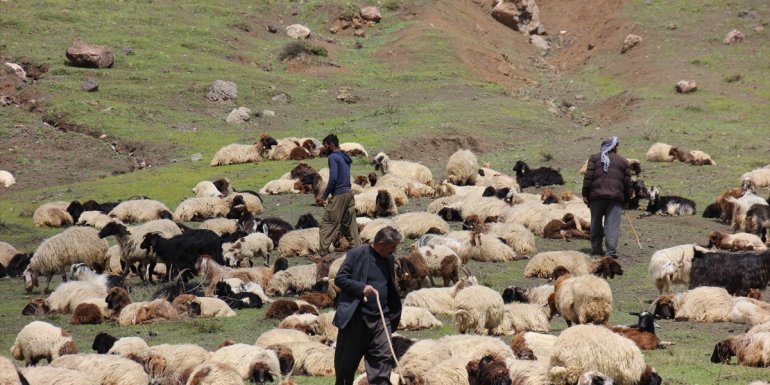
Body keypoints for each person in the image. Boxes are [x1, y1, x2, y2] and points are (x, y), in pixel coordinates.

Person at [333, 226, 403, 385]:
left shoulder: (389, 259)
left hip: (381, 319)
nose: (393, 251)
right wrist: (361, 288)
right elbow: (340, 279)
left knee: (382, 361)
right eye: (391, 247)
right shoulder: (356, 254)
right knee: (346, 365)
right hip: (357, 318)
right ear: (380, 244)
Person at [581, 136, 631, 259]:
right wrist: (626, 199)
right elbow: (627, 183)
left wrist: (585, 193)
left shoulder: (594, 158)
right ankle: (611, 252)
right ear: (614, 148)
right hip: (615, 198)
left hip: (596, 197)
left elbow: (588, 178)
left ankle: (597, 249)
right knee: (612, 224)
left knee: (596, 223)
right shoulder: (623, 162)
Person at [317, 134, 361, 257]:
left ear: (331, 145)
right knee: (349, 224)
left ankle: (323, 253)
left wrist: (324, 196)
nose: (324, 149)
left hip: (339, 194)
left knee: (327, 223)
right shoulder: (344, 157)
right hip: (348, 193)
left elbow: (333, 179)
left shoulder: (333, 157)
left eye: (325, 146)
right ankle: (357, 250)